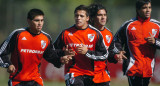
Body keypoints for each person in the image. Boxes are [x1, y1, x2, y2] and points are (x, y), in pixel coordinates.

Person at [0, 8, 73, 86]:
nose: (40, 23)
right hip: (17, 81)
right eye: (37, 20)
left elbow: (51, 56)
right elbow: (1, 53)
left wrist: (61, 60)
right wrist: (8, 65)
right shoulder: (17, 34)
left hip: (35, 80)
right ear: (29, 21)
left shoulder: (46, 38)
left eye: (42, 20)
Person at [54, 5, 108, 86]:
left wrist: (87, 52)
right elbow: (52, 51)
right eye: (76, 16)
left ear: (87, 18)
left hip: (92, 75)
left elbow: (104, 55)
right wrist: (63, 54)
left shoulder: (96, 33)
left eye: (81, 16)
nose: (78, 18)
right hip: (73, 73)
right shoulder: (66, 33)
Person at [109, 0, 160, 86]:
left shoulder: (157, 25)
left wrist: (155, 41)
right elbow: (116, 41)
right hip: (133, 68)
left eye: (149, 7)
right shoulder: (128, 25)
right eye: (144, 8)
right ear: (138, 10)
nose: (148, 10)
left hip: (148, 69)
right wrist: (118, 51)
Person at [88, 3, 114, 86]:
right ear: (92, 18)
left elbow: (110, 55)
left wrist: (116, 56)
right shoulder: (86, 32)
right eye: (99, 15)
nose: (103, 17)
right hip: (87, 74)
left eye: (105, 15)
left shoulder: (109, 34)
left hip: (103, 76)